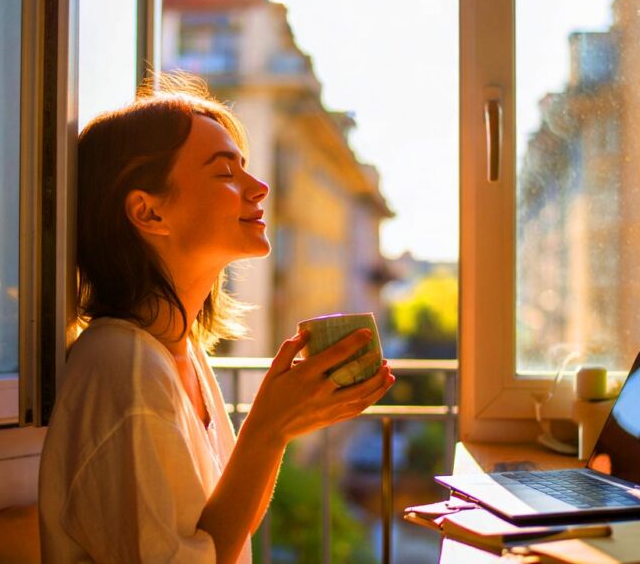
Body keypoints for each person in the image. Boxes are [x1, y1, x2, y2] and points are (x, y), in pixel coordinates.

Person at [38, 73, 394, 564]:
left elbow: (218, 531)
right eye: (226, 172)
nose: (260, 187)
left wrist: (276, 432)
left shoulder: (177, 349)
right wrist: (266, 430)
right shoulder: (126, 370)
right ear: (148, 213)